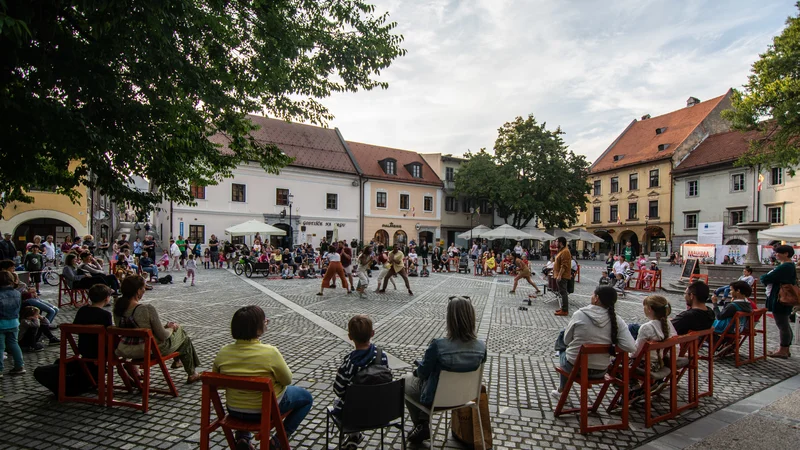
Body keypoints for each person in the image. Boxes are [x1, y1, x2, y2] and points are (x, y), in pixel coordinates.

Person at [212, 306, 313, 449]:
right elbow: (287, 380)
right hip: (265, 411)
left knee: (244, 394)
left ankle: (242, 437)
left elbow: (218, 383)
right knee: (306, 398)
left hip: (234, 410)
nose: (267, 322)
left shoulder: (223, 352)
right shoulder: (270, 352)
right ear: (258, 328)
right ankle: (278, 440)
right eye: (265, 321)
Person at [404, 297, 486, 444]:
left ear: (450, 319)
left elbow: (423, 373)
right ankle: (422, 422)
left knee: (407, 381)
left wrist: (417, 370)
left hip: (437, 400)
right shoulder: (481, 347)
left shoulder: (438, 345)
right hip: (466, 397)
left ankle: (421, 424)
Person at [552, 286, 635, 400]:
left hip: (576, 368)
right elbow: (630, 346)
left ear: (596, 298)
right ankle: (561, 389)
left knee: (562, 343)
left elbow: (567, 340)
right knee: (568, 346)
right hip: (600, 371)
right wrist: (610, 347)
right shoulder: (617, 320)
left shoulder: (580, 314)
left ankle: (561, 389)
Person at [113, 275, 201, 383]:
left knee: (179, 336)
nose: (144, 290)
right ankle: (192, 373)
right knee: (182, 335)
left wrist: (165, 325)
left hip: (127, 349)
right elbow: (163, 335)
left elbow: (136, 327)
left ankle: (179, 362)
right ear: (138, 291)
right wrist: (172, 328)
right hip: (150, 350)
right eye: (143, 288)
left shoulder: (117, 308)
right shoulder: (146, 309)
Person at [332, 315, 389, 447]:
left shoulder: (349, 363)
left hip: (353, 415)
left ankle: (354, 435)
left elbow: (338, 389)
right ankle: (354, 436)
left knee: (342, 401)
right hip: (379, 411)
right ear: (372, 334)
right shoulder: (382, 357)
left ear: (350, 337)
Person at [760, 244, 796, 358]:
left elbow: (765, 278)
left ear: (786, 254)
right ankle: (785, 348)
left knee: (782, 323)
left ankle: (783, 349)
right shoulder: (788, 265)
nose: (776, 255)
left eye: (778, 253)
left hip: (780, 297)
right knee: (784, 323)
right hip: (781, 296)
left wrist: (764, 277)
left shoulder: (785, 266)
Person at [73, 285, 114, 360]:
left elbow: (75, 328)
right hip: (101, 349)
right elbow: (108, 334)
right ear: (107, 298)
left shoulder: (82, 310)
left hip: (83, 347)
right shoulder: (105, 315)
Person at [711, 281, 754, 350]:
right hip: (738, 327)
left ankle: (716, 343)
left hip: (726, 328)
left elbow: (719, 316)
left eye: (731, 290)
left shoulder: (733, 306)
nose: (730, 292)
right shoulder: (748, 304)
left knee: (702, 325)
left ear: (738, 291)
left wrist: (715, 304)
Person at [0, 271, 26, 376]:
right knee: (14, 344)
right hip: (14, 322)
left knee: (0, 347)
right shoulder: (17, 293)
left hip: (1, 323)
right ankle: (19, 366)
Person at [553, 237, 572, 316]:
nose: (555, 243)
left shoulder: (565, 251)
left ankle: (565, 310)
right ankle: (563, 308)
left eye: (557, 242)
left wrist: (560, 275)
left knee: (563, 292)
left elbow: (564, 265)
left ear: (561, 243)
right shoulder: (561, 251)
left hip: (563, 275)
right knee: (562, 292)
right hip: (559, 274)